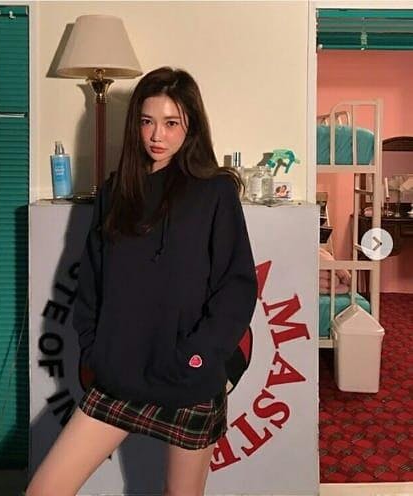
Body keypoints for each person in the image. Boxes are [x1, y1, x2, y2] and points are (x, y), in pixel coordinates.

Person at [26, 67, 257, 496]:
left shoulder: (215, 192)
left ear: (191, 126)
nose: (156, 135)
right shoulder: (116, 192)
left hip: (188, 381)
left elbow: (237, 286)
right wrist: (97, 350)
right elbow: (91, 281)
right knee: (45, 489)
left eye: (171, 123)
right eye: (147, 121)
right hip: (119, 374)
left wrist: (197, 357)